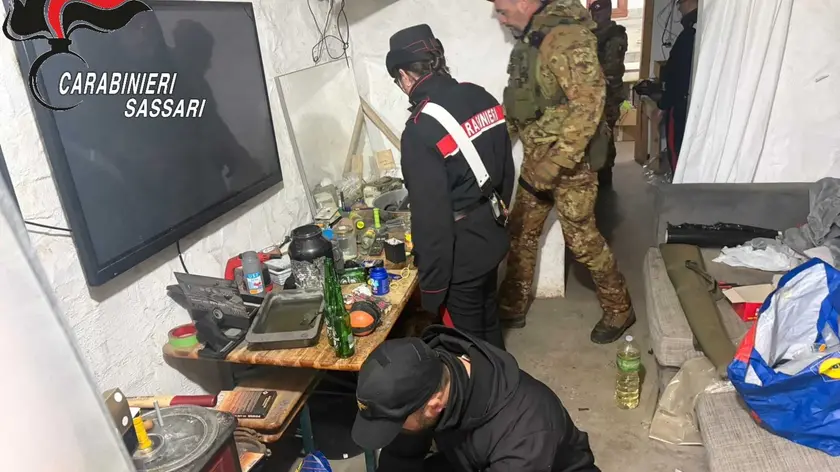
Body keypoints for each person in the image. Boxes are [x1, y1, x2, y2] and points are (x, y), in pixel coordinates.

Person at [489, 0, 634, 344]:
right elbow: (521, 102)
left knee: (582, 241)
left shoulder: (567, 37)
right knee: (520, 232)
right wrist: (493, 142)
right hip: (538, 160)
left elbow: (588, 106)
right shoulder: (532, 39)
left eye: (503, 10)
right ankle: (512, 305)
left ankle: (620, 308)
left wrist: (555, 164)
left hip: (572, 166)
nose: (500, 18)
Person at [387, 24, 515, 350]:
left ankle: (491, 382)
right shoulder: (481, 95)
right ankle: (505, 375)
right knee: (489, 321)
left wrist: (431, 291)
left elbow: (431, 221)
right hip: (492, 232)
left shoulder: (420, 129)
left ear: (404, 76)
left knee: (467, 348)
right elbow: (506, 168)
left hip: (460, 256)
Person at [352, 325, 600, 472]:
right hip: (473, 458)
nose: (395, 430)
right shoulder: (430, 372)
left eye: (396, 423)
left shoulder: (525, 432)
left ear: (434, 406)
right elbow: (401, 455)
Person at [588, 0, 628, 188]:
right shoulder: (591, 34)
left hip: (609, 94)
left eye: (600, 13)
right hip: (593, 94)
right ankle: (595, 172)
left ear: (608, 12)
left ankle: (605, 175)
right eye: (594, 13)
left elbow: (611, 68)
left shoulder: (615, 35)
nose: (597, 17)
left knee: (606, 134)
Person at [658, 0, 698, 171]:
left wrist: (663, 103)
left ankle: (679, 182)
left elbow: (678, 74)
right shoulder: (698, 27)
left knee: (678, 151)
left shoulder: (690, 33)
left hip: (681, 103)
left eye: (679, 3)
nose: (679, 8)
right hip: (691, 101)